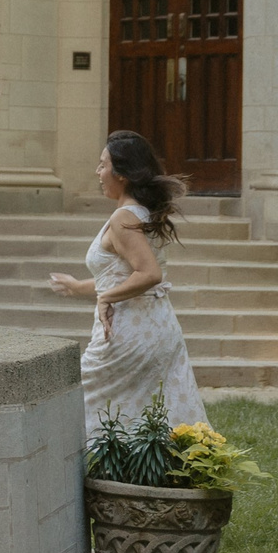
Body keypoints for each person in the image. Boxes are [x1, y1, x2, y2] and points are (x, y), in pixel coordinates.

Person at [49, 131, 208, 431]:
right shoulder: (140, 212)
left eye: (102, 165)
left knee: (81, 404)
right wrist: (77, 287)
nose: (97, 172)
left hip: (128, 334)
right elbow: (120, 277)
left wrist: (106, 298)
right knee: (144, 418)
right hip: (156, 327)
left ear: (121, 173)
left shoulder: (124, 218)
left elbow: (148, 274)